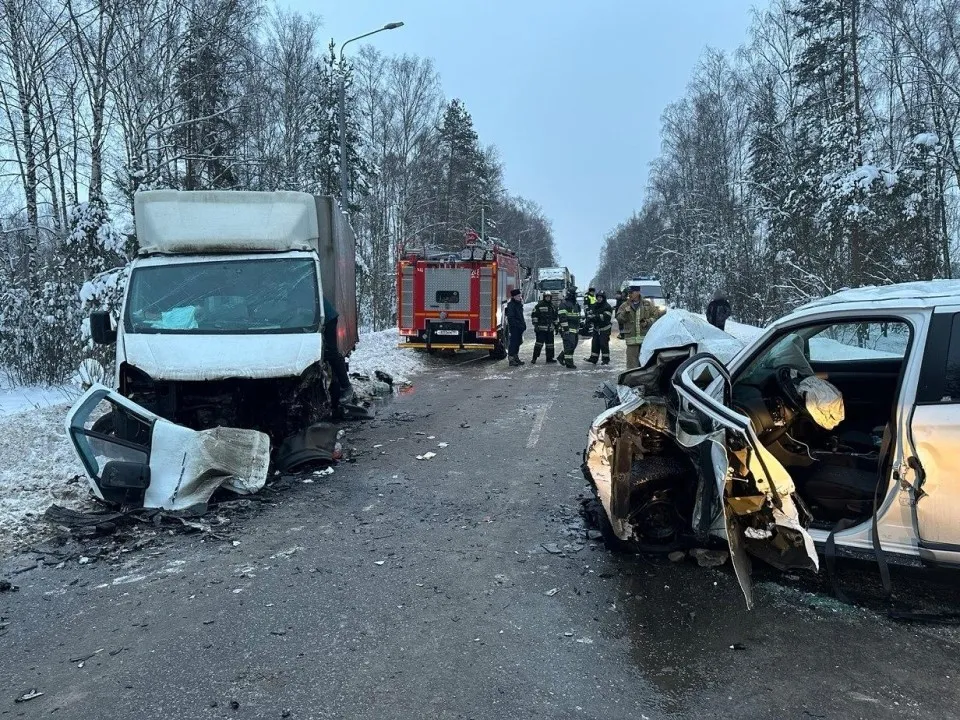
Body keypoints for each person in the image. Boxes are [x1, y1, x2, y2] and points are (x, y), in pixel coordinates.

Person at [616, 287, 657, 370]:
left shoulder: (647, 304)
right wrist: (624, 313)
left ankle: (645, 380)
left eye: (632, 292)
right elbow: (619, 319)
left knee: (646, 363)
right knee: (632, 364)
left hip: (645, 341)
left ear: (638, 292)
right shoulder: (625, 305)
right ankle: (632, 381)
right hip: (631, 341)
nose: (629, 295)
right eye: (629, 293)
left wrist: (648, 322)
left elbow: (656, 316)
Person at [323, 295, 354, 404]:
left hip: (327, 318)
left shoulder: (299, 284)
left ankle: (347, 387)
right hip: (314, 317)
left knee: (330, 351)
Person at [556, 288, 582, 369]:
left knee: (573, 345)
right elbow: (562, 317)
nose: (576, 296)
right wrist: (566, 329)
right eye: (575, 295)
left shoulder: (575, 304)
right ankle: (569, 363)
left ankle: (561, 357)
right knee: (569, 345)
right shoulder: (564, 304)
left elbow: (577, 315)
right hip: (567, 329)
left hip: (575, 329)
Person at [584, 291, 613, 365]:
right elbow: (591, 313)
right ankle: (593, 358)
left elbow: (606, 317)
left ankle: (605, 360)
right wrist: (589, 319)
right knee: (595, 344)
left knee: (603, 344)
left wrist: (595, 317)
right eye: (598, 297)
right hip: (596, 328)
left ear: (603, 298)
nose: (599, 299)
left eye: (601, 297)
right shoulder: (595, 305)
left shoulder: (607, 306)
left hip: (605, 328)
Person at [530, 291, 558, 364]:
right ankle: (534, 358)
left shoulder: (553, 306)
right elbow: (534, 316)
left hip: (550, 329)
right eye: (546, 297)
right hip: (541, 329)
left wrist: (557, 327)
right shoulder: (539, 305)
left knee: (550, 345)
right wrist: (535, 325)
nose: (548, 298)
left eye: (549, 297)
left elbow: (555, 318)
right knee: (538, 344)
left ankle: (549, 358)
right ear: (544, 297)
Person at [506, 288, 527, 366]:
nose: (520, 297)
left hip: (519, 328)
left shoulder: (519, 304)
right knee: (513, 343)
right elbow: (511, 317)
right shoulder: (511, 305)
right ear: (514, 297)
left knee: (518, 342)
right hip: (515, 328)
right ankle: (511, 359)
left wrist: (523, 325)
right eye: (518, 296)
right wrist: (517, 325)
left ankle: (516, 357)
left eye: (520, 296)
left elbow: (521, 316)